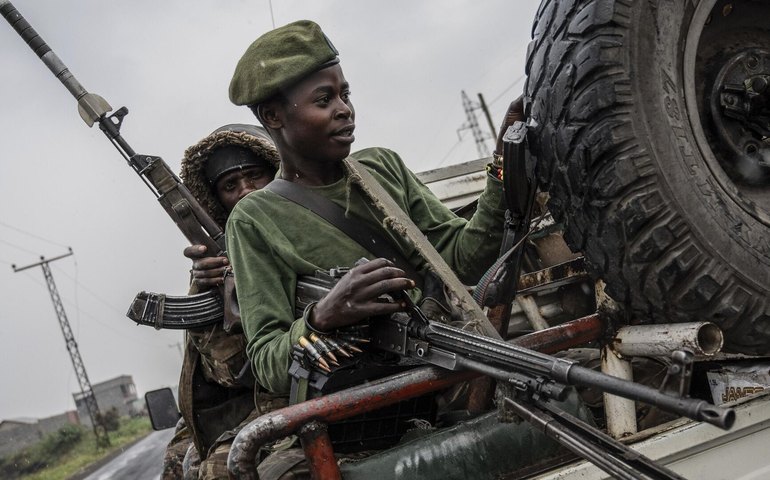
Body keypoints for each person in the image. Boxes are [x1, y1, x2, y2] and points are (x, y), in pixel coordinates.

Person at [225, 20, 520, 399]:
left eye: (345, 94)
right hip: (369, 405)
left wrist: (502, 164)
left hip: (452, 372)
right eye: (323, 100)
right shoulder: (255, 219)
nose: (344, 110)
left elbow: (464, 261)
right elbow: (268, 363)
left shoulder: (382, 168)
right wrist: (322, 318)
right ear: (273, 117)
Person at [161, 123, 284, 480]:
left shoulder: (311, 219)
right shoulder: (219, 264)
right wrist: (208, 289)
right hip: (246, 396)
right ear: (217, 200)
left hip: (294, 389)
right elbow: (230, 372)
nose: (246, 191)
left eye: (254, 176)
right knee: (177, 463)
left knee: (219, 468)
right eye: (231, 186)